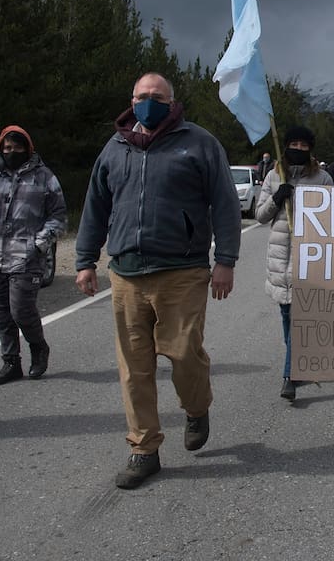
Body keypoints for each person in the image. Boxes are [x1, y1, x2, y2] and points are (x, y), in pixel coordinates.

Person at [74, 73, 241, 489]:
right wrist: (84, 260)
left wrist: (226, 260)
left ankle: (196, 406)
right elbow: (96, 204)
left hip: (182, 270)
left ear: (172, 102)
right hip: (126, 273)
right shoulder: (114, 148)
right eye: (142, 97)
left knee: (183, 352)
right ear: (131, 102)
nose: (149, 103)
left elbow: (224, 202)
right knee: (134, 367)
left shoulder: (199, 143)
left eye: (157, 97)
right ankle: (144, 448)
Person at [0, 125, 67, 385]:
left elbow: (58, 217)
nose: (12, 152)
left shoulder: (44, 177)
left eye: (17, 148)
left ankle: (38, 347)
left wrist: (38, 244)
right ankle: (10, 362)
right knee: (1, 314)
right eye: (7, 148)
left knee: (21, 311)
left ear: (28, 149)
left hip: (26, 258)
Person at [254, 126, 333, 402]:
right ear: (285, 146)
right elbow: (260, 215)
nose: (298, 149)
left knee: (299, 317)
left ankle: (289, 375)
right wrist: (278, 198)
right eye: (294, 144)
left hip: (308, 258)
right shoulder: (274, 176)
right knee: (288, 316)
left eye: (303, 145)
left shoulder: (322, 178)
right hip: (280, 259)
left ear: (311, 149)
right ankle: (298, 361)